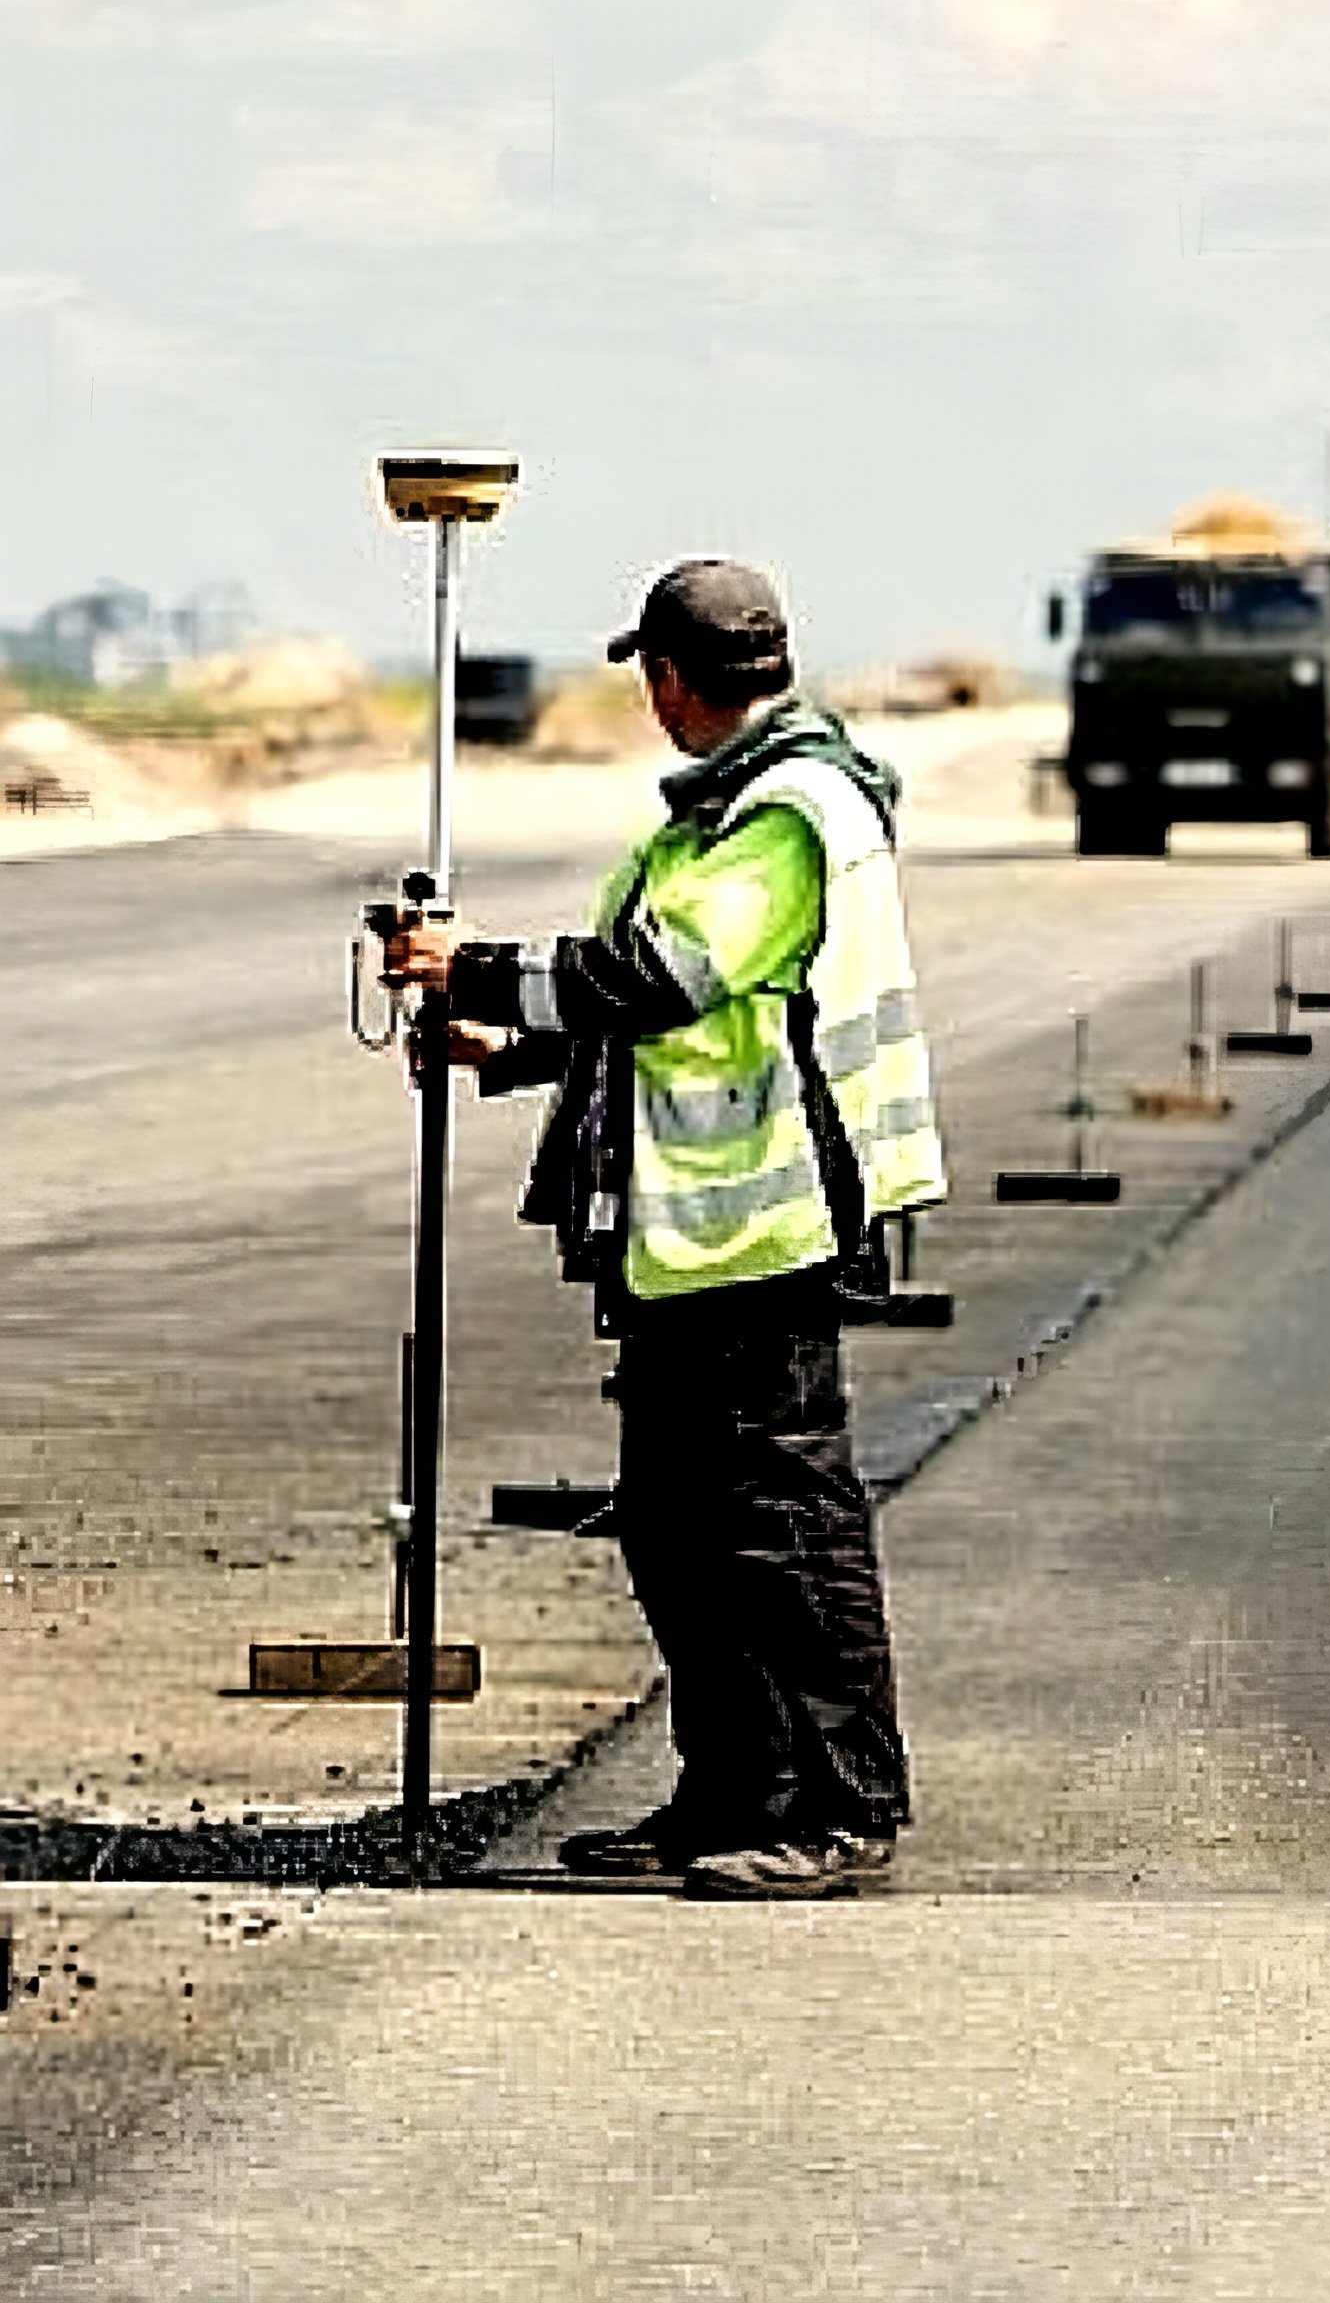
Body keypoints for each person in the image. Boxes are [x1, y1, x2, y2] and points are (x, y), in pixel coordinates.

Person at [388, 558, 946, 1897]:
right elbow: (665, 1025)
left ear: (670, 680)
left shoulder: (789, 814)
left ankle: (836, 1807)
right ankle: (730, 1795)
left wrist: (463, 962)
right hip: (687, 1238)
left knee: (781, 1532)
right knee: (681, 1531)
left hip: (764, 1229)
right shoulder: (711, 817)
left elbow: (662, 974)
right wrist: (501, 1043)